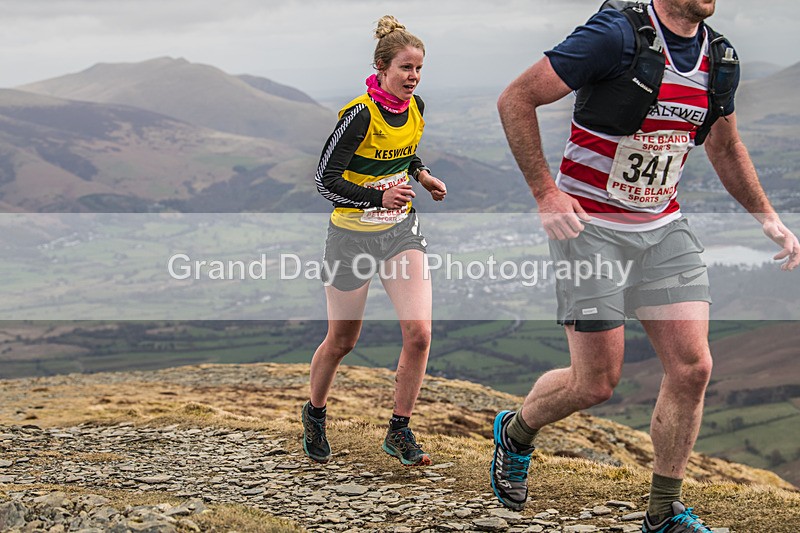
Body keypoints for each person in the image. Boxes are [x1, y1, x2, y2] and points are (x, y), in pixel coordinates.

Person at [492, 0, 799, 531]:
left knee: (693, 367)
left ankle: (663, 511)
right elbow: (516, 98)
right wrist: (546, 193)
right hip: (589, 230)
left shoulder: (719, 58)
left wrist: (767, 218)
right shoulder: (615, 34)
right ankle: (516, 433)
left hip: (662, 229)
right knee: (595, 383)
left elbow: (726, 147)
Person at [301, 15, 446, 467]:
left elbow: (405, 154)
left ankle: (399, 431)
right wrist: (376, 195)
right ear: (381, 68)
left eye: (418, 69)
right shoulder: (358, 114)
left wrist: (420, 175)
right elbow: (324, 181)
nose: (413, 77)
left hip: (400, 231)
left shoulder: (416, 106)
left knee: (419, 334)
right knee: (343, 340)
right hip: (350, 238)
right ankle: (315, 413)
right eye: (405, 68)